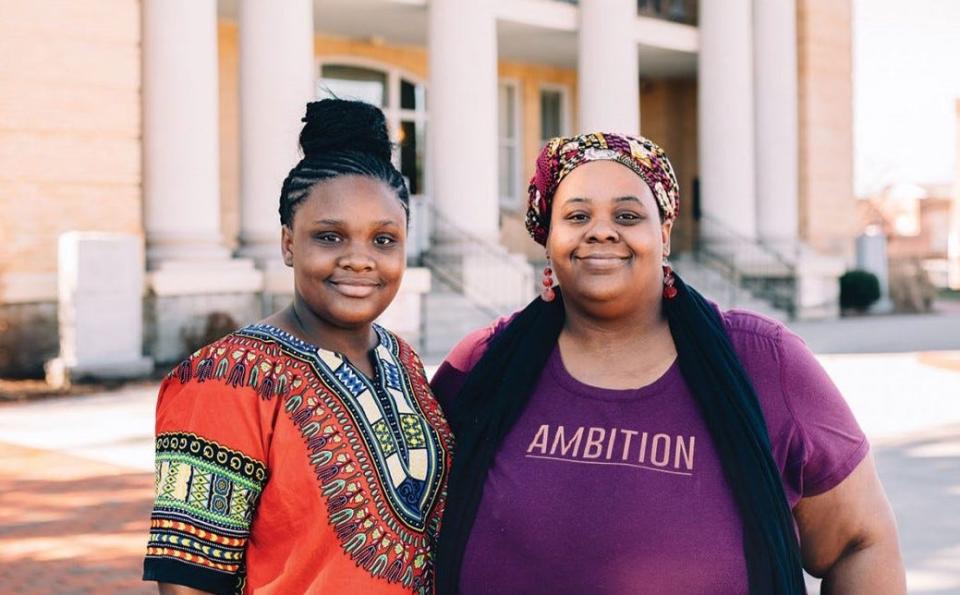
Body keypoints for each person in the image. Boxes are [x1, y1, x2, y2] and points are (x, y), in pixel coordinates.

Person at [431, 132, 905, 594]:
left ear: (664, 235)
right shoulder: (482, 366)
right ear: (548, 238)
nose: (601, 229)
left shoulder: (765, 364)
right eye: (576, 215)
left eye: (627, 214)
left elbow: (861, 542)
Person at [142, 99, 453, 594]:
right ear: (289, 243)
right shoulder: (224, 379)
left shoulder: (404, 361)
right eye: (330, 237)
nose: (359, 260)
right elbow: (189, 583)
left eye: (384, 240)